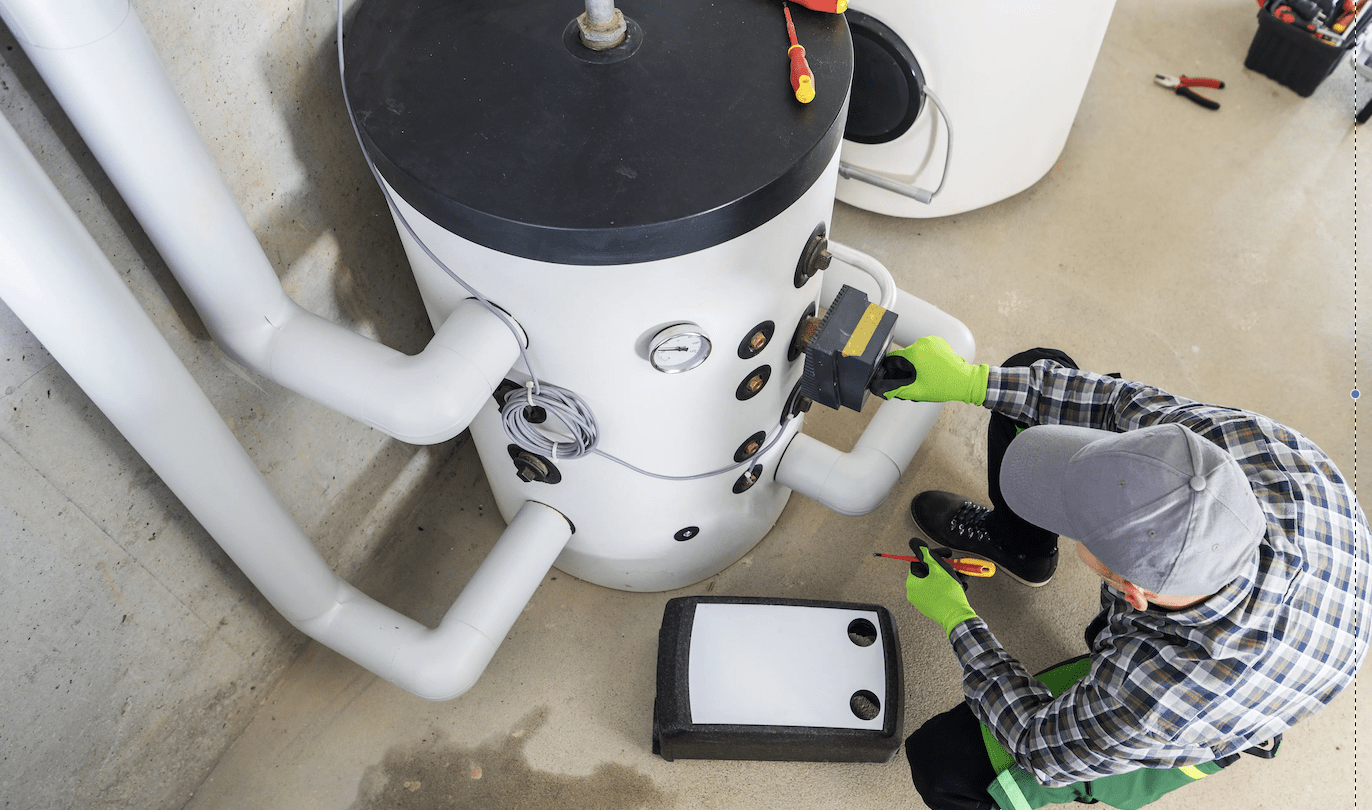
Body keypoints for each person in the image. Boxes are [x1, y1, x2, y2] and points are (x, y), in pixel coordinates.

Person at [876, 337, 1371, 810]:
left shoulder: (1156, 696)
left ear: (1131, 589)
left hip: (1222, 704)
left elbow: (1036, 743)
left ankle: (1202, 749)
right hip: (1310, 613)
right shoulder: (1256, 454)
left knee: (943, 764)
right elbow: (1123, 404)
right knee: (1035, 373)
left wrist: (957, 618)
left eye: (1079, 527)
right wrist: (973, 381)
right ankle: (1019, 548)